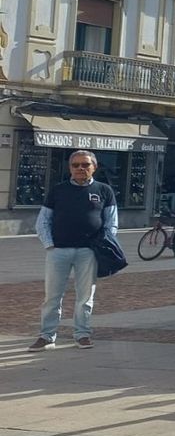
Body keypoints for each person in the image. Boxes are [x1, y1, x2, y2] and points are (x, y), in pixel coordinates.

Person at [29, 150, 118, 351]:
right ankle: (47, 336)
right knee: (52, 296)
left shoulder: (104, 190)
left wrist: (103, 245)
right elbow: (43, 220)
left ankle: (82, 334)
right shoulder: (58, 190)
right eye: (75, 165)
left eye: (85, 165)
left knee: (85, 296)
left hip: (88, 251)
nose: (80, 168)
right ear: (70, 168)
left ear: (94, 167)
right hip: (58, 251)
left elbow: (111, 223)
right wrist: (49, 245)